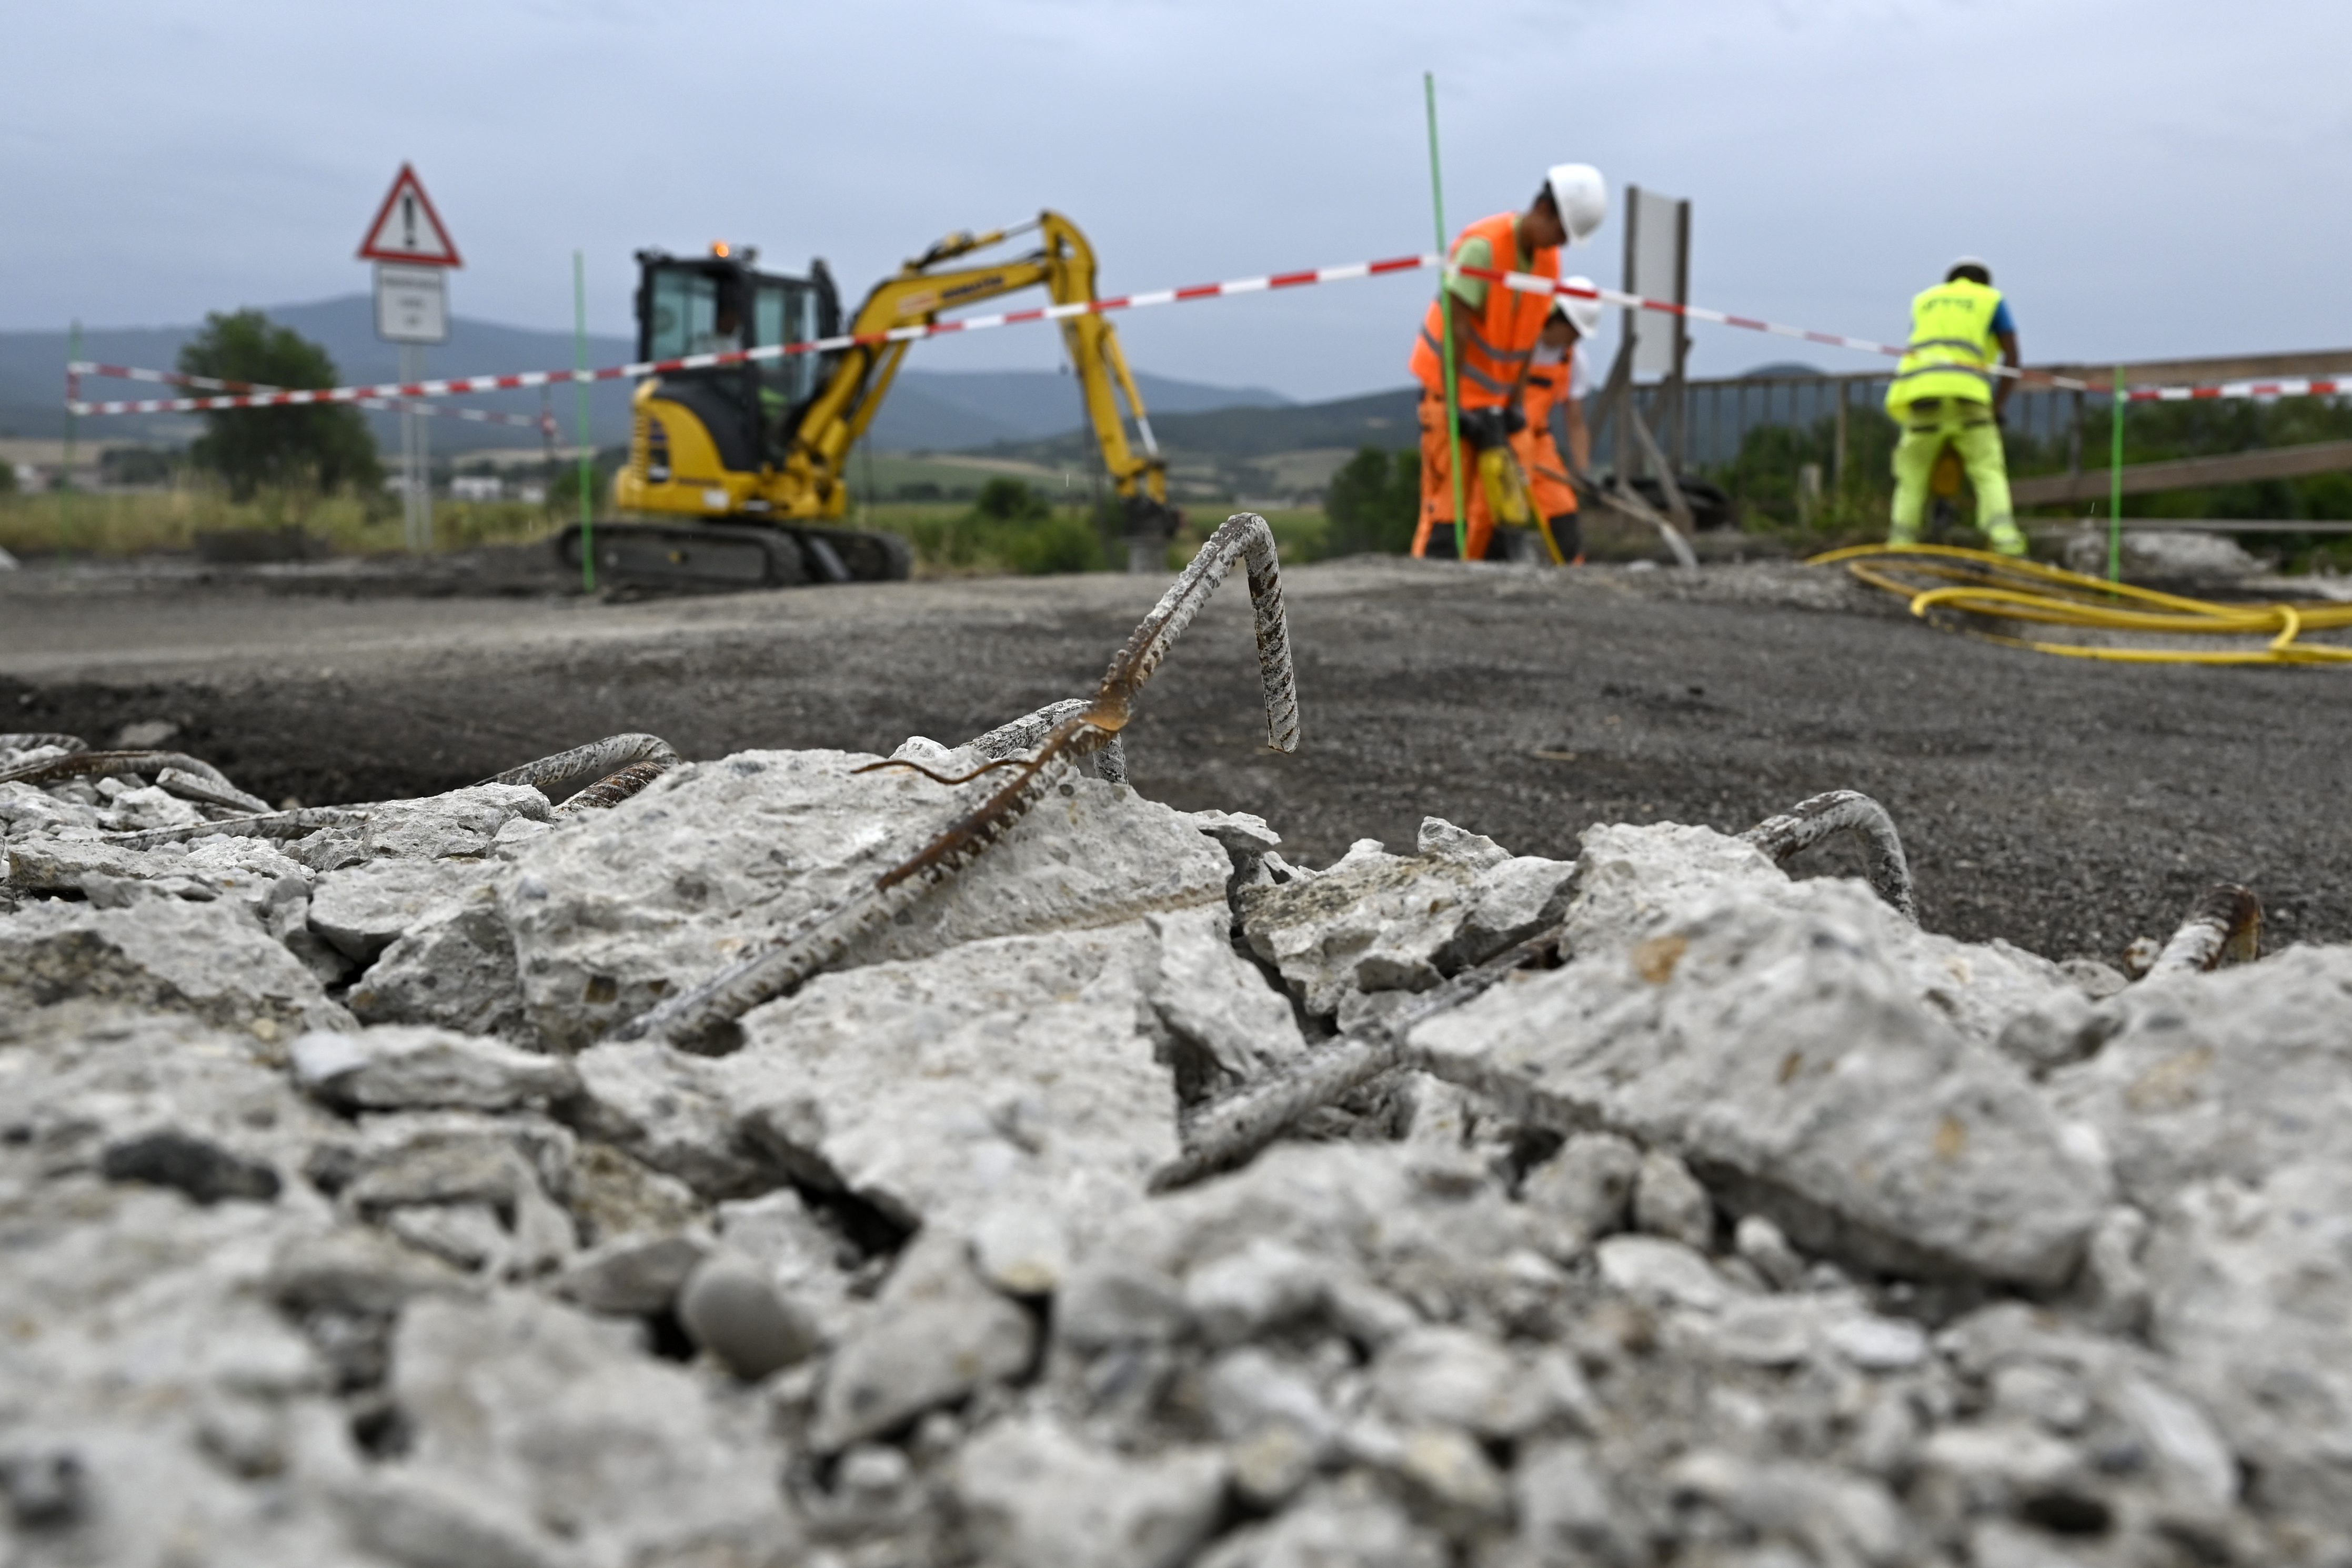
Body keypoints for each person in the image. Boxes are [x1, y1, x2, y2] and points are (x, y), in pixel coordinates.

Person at [1409, 164, 1607, 560]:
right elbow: (1458, 328)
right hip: (1452, 396)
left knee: (1497, 505)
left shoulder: (1548, 263)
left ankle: (1481, 593)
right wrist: (1456, 405)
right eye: (1562, 232)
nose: (1562, 244)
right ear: (1545, 210)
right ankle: (1425, 594)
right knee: (1450, 511)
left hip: (1495, 403)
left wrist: (1513, 405)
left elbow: (1527, 337)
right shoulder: (1484, 247)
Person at [1886, 257, 2026, 555]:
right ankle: (2005, 542)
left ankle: (1900, 544)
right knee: (1988, 472)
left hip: (1923, 396)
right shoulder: (1990, 299)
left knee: (1911, 477)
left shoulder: (1925, 300)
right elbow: (2012, 358)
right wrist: (1998, 406)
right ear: (1984, 281)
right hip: (1969, 397)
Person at [1510, 282, 1601, 563]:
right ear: (1558, 318)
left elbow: (1576, 423)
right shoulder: (1517, 341)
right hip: (1500, 436)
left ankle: (1572, 578)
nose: (1575, 340)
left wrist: (1582, 471)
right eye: (1573, 333)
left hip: (1537, 441)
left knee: (1562, 511)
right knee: (1498, 511)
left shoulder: (1574, 361)